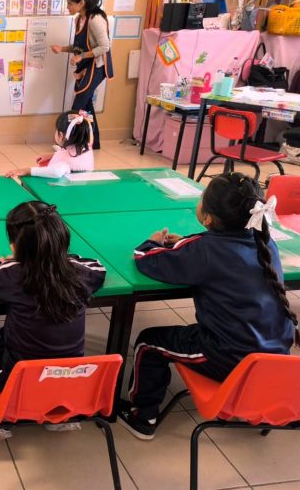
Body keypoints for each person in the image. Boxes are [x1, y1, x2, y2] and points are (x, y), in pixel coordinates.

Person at [118, 173, 298, 440]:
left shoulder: (205, 249)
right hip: (275, 355)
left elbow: (146, 259)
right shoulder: (264, 241)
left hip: (229, 355)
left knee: (147, 342)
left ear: (208, 219)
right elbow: (217, 250)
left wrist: (154, 241)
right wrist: (189, 243)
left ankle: (142, 416)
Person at [0, 201, 107, 441]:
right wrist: (58, 255)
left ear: (14, 245)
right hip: (69, 381)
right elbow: (98, 267)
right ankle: (59, 415)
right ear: (61, 239)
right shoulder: (80, 273)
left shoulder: (13, 275)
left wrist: (5, 262)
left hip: (20, 380)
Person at [50, 0, 113, 150]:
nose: (68, 7)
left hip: (98, 67)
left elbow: (105, 46)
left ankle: (67, 143)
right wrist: (62, 49)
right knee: (87, 106)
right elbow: (79, 46)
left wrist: (81, 56)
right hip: (86, 65)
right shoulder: (79, 19)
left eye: (70, 3)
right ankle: (95, 142)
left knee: (77, 106)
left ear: (81, 3)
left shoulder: (95, 19)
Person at [5, 111, 95, 179]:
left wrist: (27, 170)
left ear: (60, 135)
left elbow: (57, 171)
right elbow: (70, 155)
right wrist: (52, 156)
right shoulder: (86, 147)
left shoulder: (64, 162)